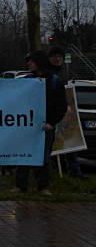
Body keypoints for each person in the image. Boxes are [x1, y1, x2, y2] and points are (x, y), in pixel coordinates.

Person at [13, 50, 68, 195]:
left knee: (43, 158)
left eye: (31, 61)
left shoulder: (54, 81)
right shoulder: (27, 80)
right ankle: (20, 186)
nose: (28, 64)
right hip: (27, 126)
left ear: (38, 62)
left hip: (45, 127)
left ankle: (43, 187)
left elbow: (61, 106)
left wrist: (51, 123)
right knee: (23, 156)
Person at [47, 46, 85, 178]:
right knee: (52, 143)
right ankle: (53, 172)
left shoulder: (65, 72)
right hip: (52, 113)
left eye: (59, 57)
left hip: (66, 113)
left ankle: (74, 171)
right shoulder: (48, 73)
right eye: (54, 56)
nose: (57, 59)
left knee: (70, 142)